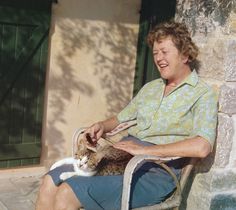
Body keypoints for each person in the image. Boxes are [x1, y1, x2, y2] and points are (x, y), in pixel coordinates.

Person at [36, 20, 218, 210]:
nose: (158, 58)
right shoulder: (151, 88)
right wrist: (102, 126)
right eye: (155, 53)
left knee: (68, 192)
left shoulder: (202, 94)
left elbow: (202, 146)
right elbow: (119, 119)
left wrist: (144, 150)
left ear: (185, 54)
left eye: (164, 52)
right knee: (50, 181)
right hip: (119, 159)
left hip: (156, 171)